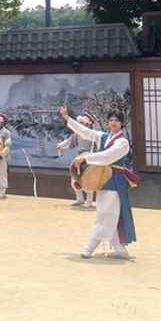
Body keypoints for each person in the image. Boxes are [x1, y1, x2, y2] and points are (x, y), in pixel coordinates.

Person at [60, 107, 139, 259]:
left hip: (115, 180)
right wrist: (68, 119)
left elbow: (107, 156)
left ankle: (89, 248)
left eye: (116, 120)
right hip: (104, 179)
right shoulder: (104, 137)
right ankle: (120, 249)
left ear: (122, 123)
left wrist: (86, 158)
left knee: (105, 214)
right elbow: (85, 132)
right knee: (108, 213)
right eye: (110, 120)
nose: (113, 123)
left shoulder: (122, 142)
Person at [57, 114, 98, 207]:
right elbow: (69, 141)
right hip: (79, 157)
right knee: (75, 177)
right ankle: (80, 199)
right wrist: (61, 145)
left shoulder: (93, 133)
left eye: (82, 123)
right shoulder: (78, 133)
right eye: (79, 123)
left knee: (88, 179)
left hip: (89, 157)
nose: (80, 125)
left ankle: (89, 201)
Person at [0, 114, 12, 200]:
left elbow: (8, 144)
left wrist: (2, 153)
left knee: (2, 173)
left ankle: (2, 191)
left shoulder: (6, 132)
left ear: (2, 122)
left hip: (2, 156)